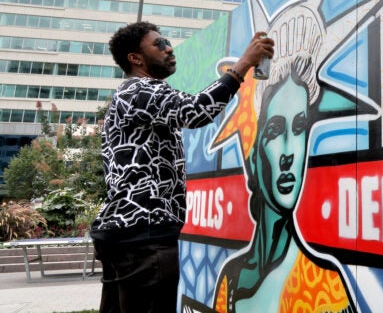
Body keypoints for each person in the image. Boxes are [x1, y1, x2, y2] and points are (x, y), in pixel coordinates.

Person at [90, 21, 274, 313]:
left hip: (126, 234)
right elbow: (196, 110)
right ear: (135, 59)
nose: (169, 48)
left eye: (167, 42)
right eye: (158, 44)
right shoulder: (139, 89)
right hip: (143, 236)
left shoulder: (131, 94)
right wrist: (244, 64)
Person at [213, 52, 354, 313]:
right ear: (253, 159)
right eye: (275, 131)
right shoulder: (230, 278)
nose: (289, 153)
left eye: (300, 127)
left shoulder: (325, 284)